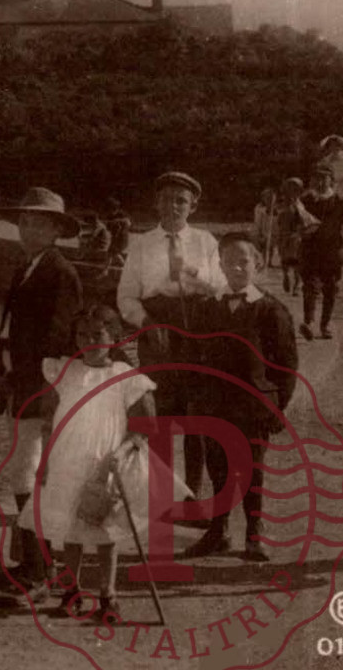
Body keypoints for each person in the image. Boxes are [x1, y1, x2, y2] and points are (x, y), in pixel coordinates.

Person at [0, 187, 83, 587]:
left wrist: (13, 377)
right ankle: (35, 561)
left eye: (39, 223)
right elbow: (7, 331)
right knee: (22, 472)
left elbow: (56, 341)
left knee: (28, 474)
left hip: (43, 387)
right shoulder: (24, 268)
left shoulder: (61, 273)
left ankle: (38, 566)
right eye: (25, 222)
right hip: (20, 384)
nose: (28, 229)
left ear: (56, 229)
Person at [35, 305, 159, 623]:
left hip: (106, 459)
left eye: (97, 335)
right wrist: (45, 459)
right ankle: (72, 591)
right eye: (82, 336)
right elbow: (48, 419)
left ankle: (108, 594)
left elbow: (145, 427)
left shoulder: (124, 376)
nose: (89, 342)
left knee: (105, 528)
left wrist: (123, 450)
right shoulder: (63, 371)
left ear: (114, 338)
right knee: (71, 527)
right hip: (67, 457)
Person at [185, 232, 298, 560]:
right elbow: (193, 356)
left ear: (258, 263)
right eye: (228, 260)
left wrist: (275, 407)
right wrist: (197, 400)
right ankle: (218, 532)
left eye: (244, 260)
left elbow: (286, 366)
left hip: (253, 408)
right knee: (218, 468)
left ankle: (254, 533)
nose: (236, 267)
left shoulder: (270, 310)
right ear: (219, 264)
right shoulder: (207, 308)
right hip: (214, 406)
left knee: (252, 470)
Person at [115, 171, 226, 493]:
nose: (173, 206)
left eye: (181, 200)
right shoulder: (142, 243)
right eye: (166, 199)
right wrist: (146, 323)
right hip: (157, 330)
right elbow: (126, 295)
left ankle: (191, 494)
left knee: (195, 415)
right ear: (156, 203)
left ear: (193, 206)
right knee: (159, 413)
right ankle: (161, 494)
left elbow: (220, 286)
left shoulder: (205, 241)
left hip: (195, 328)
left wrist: (190, 272)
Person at [299, 166, 343, 340]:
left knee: (330, 289)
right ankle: (309, 323)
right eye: (317, 178)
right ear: (312, 181)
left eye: (324, 178)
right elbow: (293, 222)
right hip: (310, 251)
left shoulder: (338, 201)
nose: (320, 182)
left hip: (332, 252)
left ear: (331, 181)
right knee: (310, 286)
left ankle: (325, 325)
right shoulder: (305, 201)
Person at [276, 176, 307, 295]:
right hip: (283, 236)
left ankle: (297, 285)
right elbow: (277, 219)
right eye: (289, 188)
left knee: (297, 261)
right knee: (284, 260)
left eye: (295, 188)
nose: (291, 191)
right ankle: (286, 276)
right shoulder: (281, 203)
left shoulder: (301, 203)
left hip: (295, 236)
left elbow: (304, 219)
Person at [252, 187, 277, 265]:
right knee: (264, 246)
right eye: (267, 198)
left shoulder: (277, 207)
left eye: (272, 198)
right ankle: (263, 260)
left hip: (273, 229)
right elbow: (258, 220)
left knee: (271, 246)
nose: (270, 200)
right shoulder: (259, 208)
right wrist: (259, 232)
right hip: (263, 228)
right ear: (263, 198)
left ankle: (269, 261)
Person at [104, 198, 132, 264]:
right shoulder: (109, 216)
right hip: (115, 237)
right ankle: (106, 270)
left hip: (122, 237)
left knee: (112, 253)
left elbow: (128, 223)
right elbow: (108, 228)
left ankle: (124, 264)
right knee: (111, 253)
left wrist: (118, 221)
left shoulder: (122, 214)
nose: (109, 211)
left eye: (111, 208)